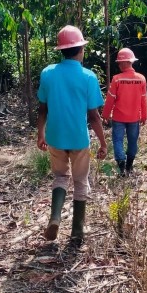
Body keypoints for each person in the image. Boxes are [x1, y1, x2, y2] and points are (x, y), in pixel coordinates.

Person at [36, 25, 107, 244]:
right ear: (80, 50)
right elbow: (94, 116)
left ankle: (55, 217)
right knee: (80, 181)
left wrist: (41, 134)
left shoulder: (48, 73)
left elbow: (42, 109)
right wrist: (103, 143)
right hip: (78, 139)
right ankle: (77, 230)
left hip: (55, 137)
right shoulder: (88, 77)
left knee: (60, 177)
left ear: (62, 50)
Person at [102, 48, 147, 177]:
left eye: (119, 62)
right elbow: (143, 100)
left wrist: (105, 115)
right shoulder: (141, 79)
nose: (119, 65)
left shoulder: (116, 79)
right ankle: (129, 167)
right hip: (134, 118)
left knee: (118, 141)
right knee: (133, 141)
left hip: (118, 118)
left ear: (125, 62)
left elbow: (110, 100)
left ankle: (122, 168)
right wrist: (144, 116)